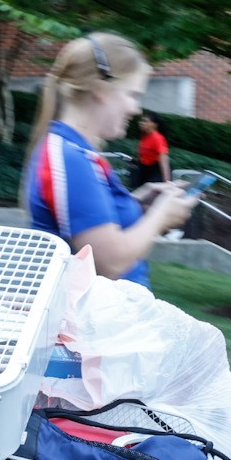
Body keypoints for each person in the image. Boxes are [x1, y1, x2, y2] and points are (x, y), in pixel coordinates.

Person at [22, 33, 196, 286]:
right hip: (97, 321)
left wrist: (137, 201)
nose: (136, 109)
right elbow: (109, 262)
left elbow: (86, 219)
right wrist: (160, 216)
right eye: (133, 95)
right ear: (102, 90)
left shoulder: (74, 151)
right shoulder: (71, 159)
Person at [131, 110, 172, 190]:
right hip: (145, 170)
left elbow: (164, 161)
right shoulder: (144, 136)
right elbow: (144, 155)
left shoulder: (158, 138)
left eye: (145, 121)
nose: (141, 123)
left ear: (155, 125)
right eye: (141, 121)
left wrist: (167, 183)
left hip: (156, 171)